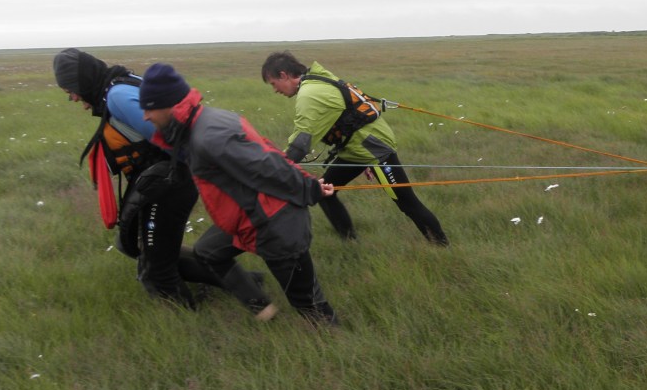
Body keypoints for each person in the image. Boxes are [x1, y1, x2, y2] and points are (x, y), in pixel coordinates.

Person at [139, 63, 339, 326]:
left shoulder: (209, 136)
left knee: (309, 305)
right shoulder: (204, 121)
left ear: (167, 105)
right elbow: (267, 152)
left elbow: (269, 165)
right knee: (208, 251)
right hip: (249, 216)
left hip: (278, 225)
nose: (145, 117)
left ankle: (333, 339)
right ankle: (263, 311)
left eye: (149, 108)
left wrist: (309, 188)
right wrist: (308, 183)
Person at [53, 48, 239, 310]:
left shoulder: (117, 96)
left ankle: (184, 320)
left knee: (155, 268)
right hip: (165, 183)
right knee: (146, 250)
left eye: (70, 90)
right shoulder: (119, 86)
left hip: (168, 186)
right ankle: (240, 282)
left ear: (83, 81)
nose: (72, 98)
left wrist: (217, 173)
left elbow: (174, 138)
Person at [260, 51, 449, 246]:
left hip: (373, 149)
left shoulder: (310, 94)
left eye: (274, 83)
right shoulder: (317, 79)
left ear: (284, 75)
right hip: (356, 150)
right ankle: (351, 244)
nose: (275, 90)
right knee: (326, 192)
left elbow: (301, 143)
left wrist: (277, 169)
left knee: (407, 202)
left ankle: (442, 247)